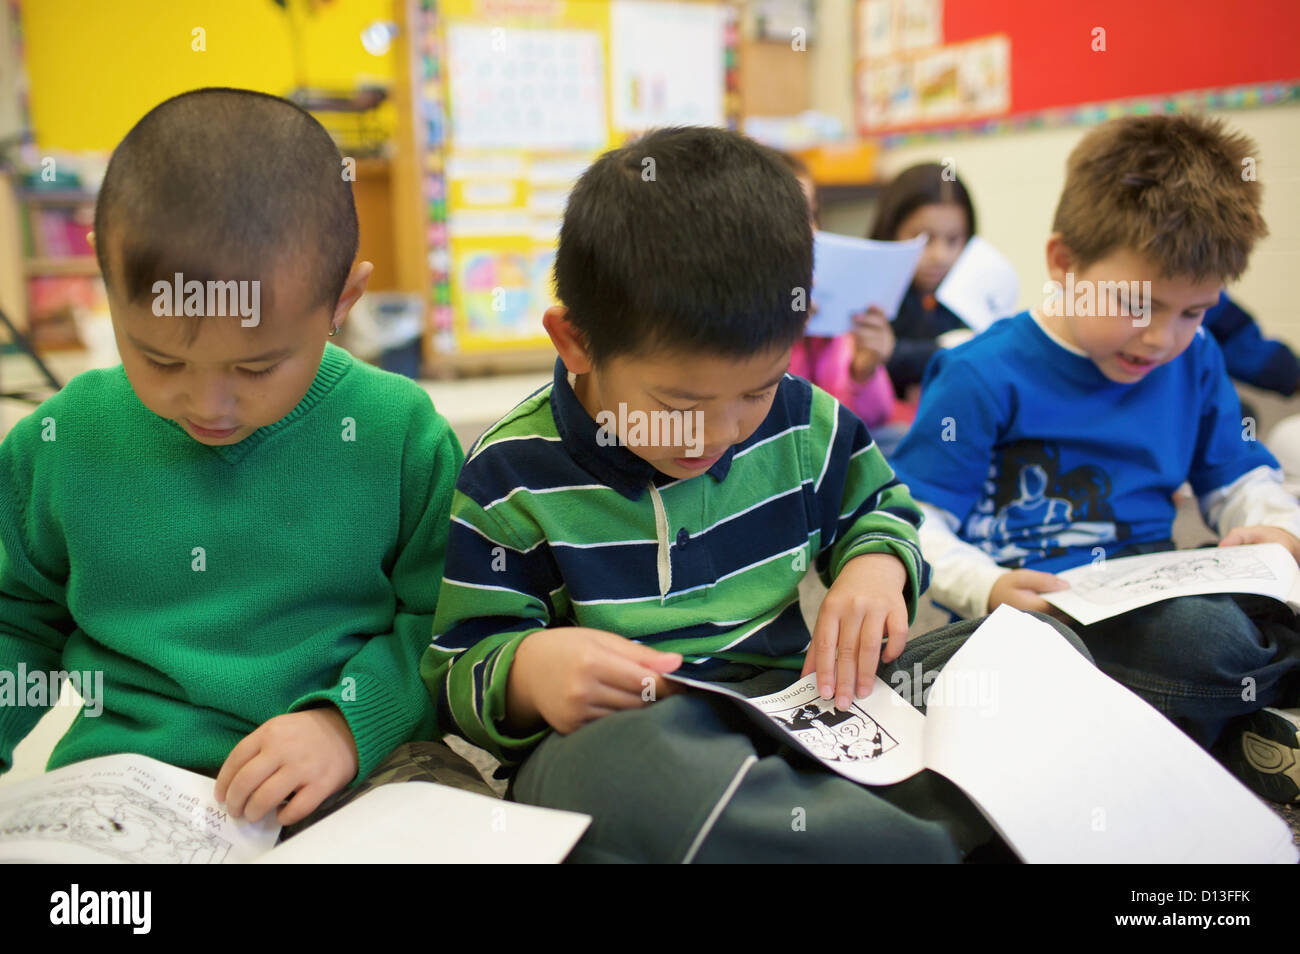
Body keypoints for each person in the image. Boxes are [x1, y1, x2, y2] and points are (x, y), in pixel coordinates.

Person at [421, 126, 1093, 862]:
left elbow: (883, 510)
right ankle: (936, 837)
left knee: (1037, 651)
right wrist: (529, 672)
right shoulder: (509, 473)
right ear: (575, 341)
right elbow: (460, 665)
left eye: (755, 391)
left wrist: (877, 569)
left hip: (804, 703)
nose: (720, 435)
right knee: (627, 778)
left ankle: (861, 831)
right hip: (640, 732)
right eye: (679, 403)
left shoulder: (804, 419)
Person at [0, 88, 477, 830]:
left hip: (362, 766)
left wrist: (346, 724)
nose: (208, 405)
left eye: (256, 369)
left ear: (342, 297)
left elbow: (448, 620)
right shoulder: (61, 441)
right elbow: (14, 622)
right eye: (157, 359)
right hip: (131, 782)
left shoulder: (399, 432)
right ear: (105, 279)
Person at [890, 114, 1300, 803]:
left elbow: (1241, 476)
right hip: (1035, 622)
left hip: (1158, 599)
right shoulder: (979, 372)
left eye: (1192, 312)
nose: (1160, 337)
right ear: (1063, 263)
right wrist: (985, 585)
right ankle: (1218, 728)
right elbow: (917, 520)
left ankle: (1193, 729)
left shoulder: (1196, 359)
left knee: (1229, 623)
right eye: (1136, 304)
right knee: (1200, 644)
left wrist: (1277, 527)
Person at [778, 152, 896, 434]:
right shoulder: (738, 321)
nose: (809, 231)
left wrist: (862, 371)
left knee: (893, 436)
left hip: (825, 447)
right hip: (776, 456)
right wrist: (778, 336)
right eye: (790, 216)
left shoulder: (824, 308)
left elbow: (871, 420)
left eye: (811, 215)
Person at [868, 162, 982, 401]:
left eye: (953, 240)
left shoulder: (970, 292)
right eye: (923, 238)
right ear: (891, 230)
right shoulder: (872, 293)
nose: (940, 256)